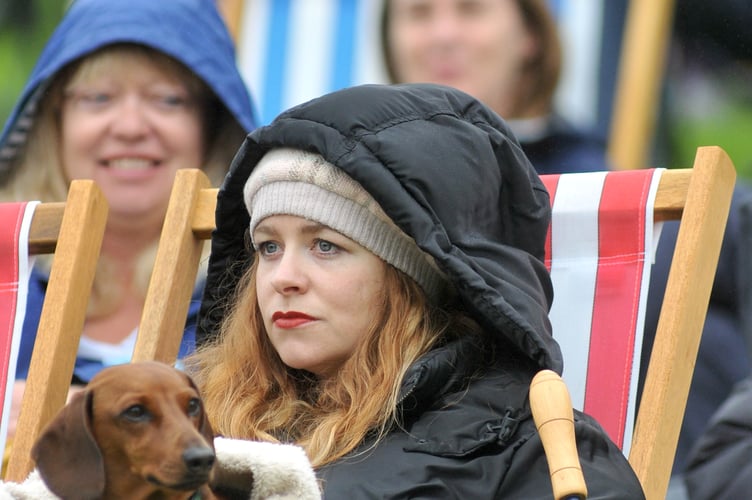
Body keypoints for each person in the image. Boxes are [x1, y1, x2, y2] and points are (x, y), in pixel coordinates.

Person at [186, 83, 645, 497]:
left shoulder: (529, 449)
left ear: (410, 276)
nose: (283, 277)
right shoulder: (185, 419)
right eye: (268, 246)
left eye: (325, 245)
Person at [0, 0, 256, 395]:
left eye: (168, 99)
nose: (131, 127)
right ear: (54, 120)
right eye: (99, 98)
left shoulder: (262, 291)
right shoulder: (7, 272)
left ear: (213, 123)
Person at [380, 0, 609, 174]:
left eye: (471, 9)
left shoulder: (585, 185)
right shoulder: (356, 174)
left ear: (530, 33)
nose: (443, 35)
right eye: (419, 12)